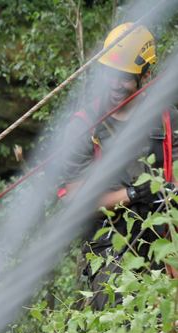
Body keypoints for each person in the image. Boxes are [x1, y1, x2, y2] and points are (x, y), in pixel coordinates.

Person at [62, 23, 178, 310]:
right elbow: (76, 200)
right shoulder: (83, 126)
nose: (114, 84)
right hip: (108, 242)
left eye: (124, 78)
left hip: (162, 235)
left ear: (146, 75)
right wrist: (134, 195)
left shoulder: (166, 117)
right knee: (119, 323)